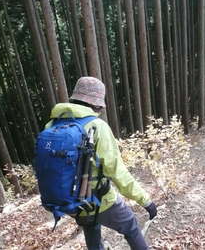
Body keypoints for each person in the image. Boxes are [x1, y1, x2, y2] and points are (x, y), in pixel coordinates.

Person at [45, 76, 157, 250]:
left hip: (68, 201)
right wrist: (146, 201)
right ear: (96, 104)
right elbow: (117, 172)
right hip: (100, 200)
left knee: (91, 226)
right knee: (131, 226)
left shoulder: (51, 125)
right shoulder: (97, 126)